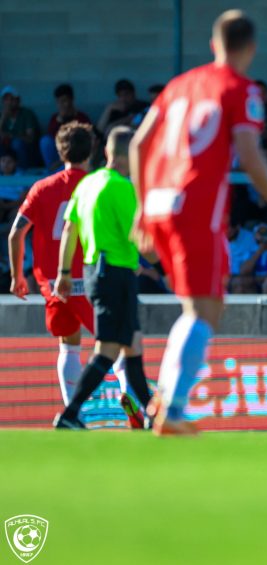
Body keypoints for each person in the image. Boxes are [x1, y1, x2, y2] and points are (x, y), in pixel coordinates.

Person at [130, 10, 267, 435]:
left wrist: (140, 206)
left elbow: (137, 144)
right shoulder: (241, 89)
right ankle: (173, 411)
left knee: (200, 306)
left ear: (213, 43)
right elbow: (249, 153)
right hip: (196, 206)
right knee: (205, 308)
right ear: (252, 48)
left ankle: (166, 401)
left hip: (157, 202)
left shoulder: (179, 84)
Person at [52, 126, 153, 429]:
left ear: (106, 151)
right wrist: (164, 259)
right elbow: (137, 236)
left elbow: (70, 228)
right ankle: (70, 414)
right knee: (108, 349)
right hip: (116, 272)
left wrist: (64, 273)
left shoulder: (87, 184)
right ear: (129, 156)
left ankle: (153, 414)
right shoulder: (122, 188)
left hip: (95, 269)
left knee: (132, 345)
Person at [8, 123, 96, 409]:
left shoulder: (42, 188)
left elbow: (16, 233)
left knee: (69, 345)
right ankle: (129, 396)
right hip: (92, 277)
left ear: (60, 151)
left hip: (56, 282)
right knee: (118, 343)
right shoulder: (97, 186)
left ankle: (73, 412)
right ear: (91, 150)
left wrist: (17, 276)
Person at [40, 83, 93, 170]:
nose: (65, 104)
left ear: (71, 100)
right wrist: (60, 119)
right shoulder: (55, 119)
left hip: (76, 156)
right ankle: (51, 171)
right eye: (62, 101)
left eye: (67, 100)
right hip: (60, 155)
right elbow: (53, 140)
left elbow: (88, 139)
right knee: (45, 141)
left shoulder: (82, 117)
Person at [0, 86, 41, 169]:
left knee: (17, 144)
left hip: (28, 152)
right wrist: (3, 119)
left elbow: (30, 139)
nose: (9, 102)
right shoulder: (3, 116)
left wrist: (10, 136)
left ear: (18, 100)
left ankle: (22, 171)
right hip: (7, 153)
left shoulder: (27, 114)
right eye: (6, 99)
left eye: (12, 99)